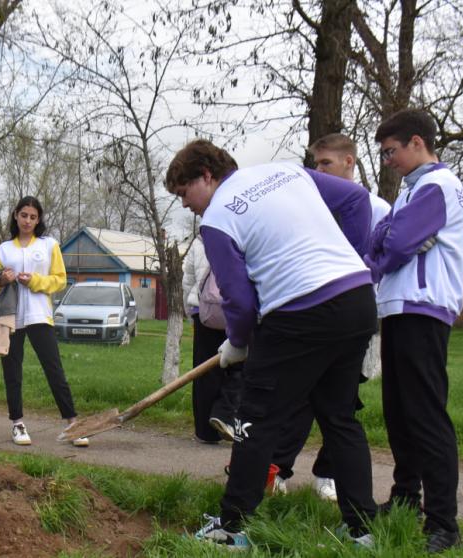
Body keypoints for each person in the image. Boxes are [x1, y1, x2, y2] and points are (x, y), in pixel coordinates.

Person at [167, 139, 378, 550]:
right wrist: (346, 261)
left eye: (183, 192)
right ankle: (363, 529)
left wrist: (237, 343)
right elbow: (356, 200)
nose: (185, 205)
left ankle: (230, 528)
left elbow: (239, 302)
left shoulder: (217, 219)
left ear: (206, 176)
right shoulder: (286, 171)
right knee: (339, 417)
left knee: (254, 418)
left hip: (300, 313)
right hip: (356, 300)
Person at [270, 133, 393, 501]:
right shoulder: (311, 206)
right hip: (312, 315)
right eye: (316, 164)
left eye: (326, 163)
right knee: (298, 395)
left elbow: (383, 262)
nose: (319, 170)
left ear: (349, 162)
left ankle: (328, 474)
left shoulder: (378, 208)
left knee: (343, 402)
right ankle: (278, 469)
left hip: (354, 318)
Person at [366, 109, 463, 553]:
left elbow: (397, 245)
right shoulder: (411, 191)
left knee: (426, 417)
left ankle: (444, 524)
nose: (386, 160)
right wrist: (390, 238)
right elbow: (382, 237)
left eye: (390, 151)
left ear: (416, 143)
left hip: (424, 308)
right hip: (399, 306)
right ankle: (406, 498)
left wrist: (390, 246)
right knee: (400, 413)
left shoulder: (437, 186)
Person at [0, 196, 88, 448]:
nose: (28, 221)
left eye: (33, 217)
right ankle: (17, 423)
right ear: (15, 215)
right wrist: (2, 280)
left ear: (38, 219)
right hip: (10, 317)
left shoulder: (49, 245)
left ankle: (72, 423)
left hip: (39, 316)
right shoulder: (3, 250)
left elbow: (59, 280)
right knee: (12, 372)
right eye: (24, 215)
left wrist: (34, 280)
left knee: (54, 369)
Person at [181, 236, 241, 444]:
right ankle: (224, 414)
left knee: (204, 370)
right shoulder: (239, 237)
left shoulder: (199, 242)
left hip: (204, 312)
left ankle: (205, 432)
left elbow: (187, 280)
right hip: (235, 311)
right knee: (240, 367)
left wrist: (191, 311)